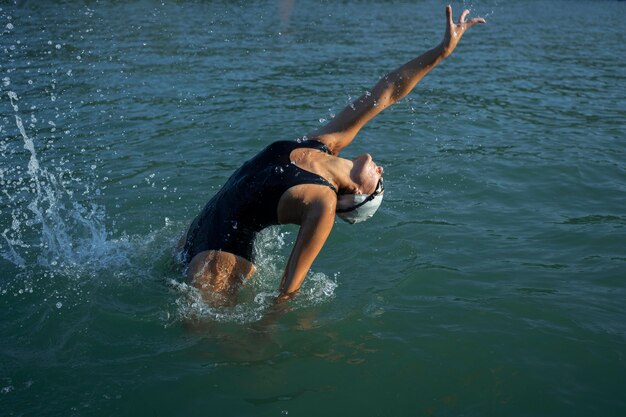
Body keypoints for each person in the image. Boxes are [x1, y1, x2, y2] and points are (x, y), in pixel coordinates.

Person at [178, 6, 485, 303]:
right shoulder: (326, 143)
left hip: (221, 260)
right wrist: (440, 52)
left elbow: (289, 287)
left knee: (204, 345)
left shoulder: (323, 203)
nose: (382, 170)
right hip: (194, 232)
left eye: (378, 185)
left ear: (355, 196)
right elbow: (388, 91)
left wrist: (265, 328)